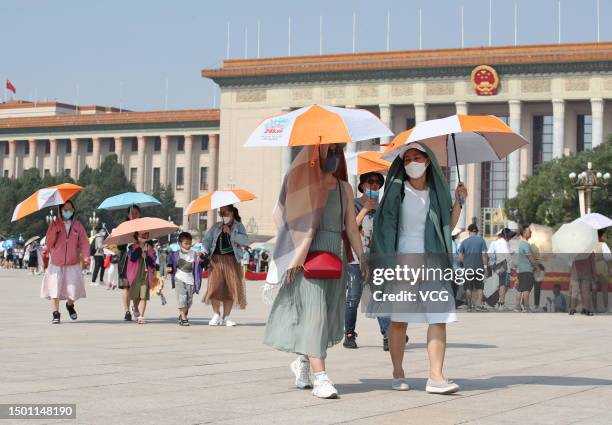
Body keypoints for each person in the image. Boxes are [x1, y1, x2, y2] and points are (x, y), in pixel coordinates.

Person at [264, 143, 366, 400]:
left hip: (334, 256)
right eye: (328, 150)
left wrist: (362, 258)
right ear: (315, 154)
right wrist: (296, 244)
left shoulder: (344, 188)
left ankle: (303, 362)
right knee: (315, 314)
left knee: (326, 314)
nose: (333, 156)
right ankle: (322, 378)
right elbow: (280, 215)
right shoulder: (302, 185)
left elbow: (351, 228)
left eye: (337, 151)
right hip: (306, 257)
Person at [371, 142, 466, 394]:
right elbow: (384, 227)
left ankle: (436, 377)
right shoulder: (395, 191)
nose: (412, 162)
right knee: (400, 319)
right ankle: (398, 371)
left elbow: (446, 224)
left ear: (428, 161)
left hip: (432, 256)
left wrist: (458, 202)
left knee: (439, 316)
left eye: (417, 157)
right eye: (407, 159)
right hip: (404, 257)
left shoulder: (437, 191)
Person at [40, 201, 91, 324]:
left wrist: (86, 257)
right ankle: (56, 314)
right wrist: (54, 230)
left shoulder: (77, 226)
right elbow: (49, 243)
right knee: (54, 290)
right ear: (60, 210)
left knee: (73, 291)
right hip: (56, 264)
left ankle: (70, 305)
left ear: (73, 211)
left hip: (72, 263)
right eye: (65, 209)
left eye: (70, 209)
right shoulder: (54, 224)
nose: (68, 212)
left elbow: (84, 242)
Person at [201, 204, 249, 326]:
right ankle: (216, 314)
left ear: (232, 213)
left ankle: (226, 317)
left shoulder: (239, 226)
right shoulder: (216, 226)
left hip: (232, 261)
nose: (223, 215)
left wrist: (231, 232)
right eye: (221, 213)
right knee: (215, 287)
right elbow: (207, 240)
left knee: (230, 289)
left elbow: (245, 241)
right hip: (216, 260)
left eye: (225, 212)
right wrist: (204, 250)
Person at [166, 232, 205, 326]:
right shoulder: (175, 254)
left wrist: (202, 256)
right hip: (179, 278)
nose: (188, 246)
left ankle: (182, 315)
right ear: (180, 243)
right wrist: (169, 270)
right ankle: (184, 318)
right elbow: (169, 264)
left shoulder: (195, 254)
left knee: (189, 302)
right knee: (182, 298)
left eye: (189, 243)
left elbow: (204, 263)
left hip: (191, 280)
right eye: (185, 243)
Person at [118, 206, 142, 321]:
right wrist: (128, 240)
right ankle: (126, 311)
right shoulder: (123, 227)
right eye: (132, 213)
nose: (134, 215)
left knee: (137, 287)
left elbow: (148, 243)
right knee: (126, 287)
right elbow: (119, 246)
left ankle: (135, 307)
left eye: (137, 213)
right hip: (125, 262)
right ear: (128, 215)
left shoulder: (144, 227)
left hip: (138, 262)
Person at [127, 232, 156, 324]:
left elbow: (153, 262)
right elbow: (132, 258)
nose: (145, 236)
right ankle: (135, 308)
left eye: (146, 234)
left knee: (144, 296)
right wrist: (140, 250)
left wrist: (146, 256)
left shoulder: (150, 247)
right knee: (136, 296)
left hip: (146, 275)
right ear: (137, 235)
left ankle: (141, 316)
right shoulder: (132, 247)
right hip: (135, 274)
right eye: (142, 234)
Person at [458, 224, 489, 312]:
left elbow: (460, 256)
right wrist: (485, 267)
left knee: (468, 288)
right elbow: (484, 255)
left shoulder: (464, 242)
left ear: (469, 231)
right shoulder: (481, 241)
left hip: (468, 269)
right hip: (479, 268)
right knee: (480, 288)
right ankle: (479, 306)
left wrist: (465, 263)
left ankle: (469, 306)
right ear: (477, 231)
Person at [487, 228, 514, 311]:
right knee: (504, 285)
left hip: (498, 267)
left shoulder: (496, 243)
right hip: (505, 267)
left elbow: (490, 253)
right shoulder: (504, 243)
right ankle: (501, 303)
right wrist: (511, 265)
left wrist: (495, 260)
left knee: (500, 285)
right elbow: (507, 256)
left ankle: (498, 303)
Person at [514, 226, 538, 312]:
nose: (531, 232)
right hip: (527, 270)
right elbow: (530, 257)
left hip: (521, 271)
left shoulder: (521, 244)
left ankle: (517, 306)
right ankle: (526, 307)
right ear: (524, 233)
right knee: (526, 289)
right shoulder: (526, 244)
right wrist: (536, 266)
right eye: (529, 231)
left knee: (520, 289)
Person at [593, 229, 611, 313]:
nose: (605, 236)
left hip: (593, 268)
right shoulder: (603, 245)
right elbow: (608, 258)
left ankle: (594, 308)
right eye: (604, 235)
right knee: (604, 289)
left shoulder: (591, 245)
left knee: (594, 289)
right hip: (603, 267)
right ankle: (605, 308)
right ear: (600, 236)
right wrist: (610, 268)